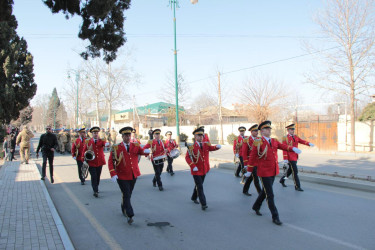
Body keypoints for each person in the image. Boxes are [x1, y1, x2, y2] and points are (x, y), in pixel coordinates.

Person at [249, 121, 301, 225]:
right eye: (267, 129)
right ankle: (275, 216)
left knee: (265, 191)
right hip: (264, 172)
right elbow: (253, 157)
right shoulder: (258, 142)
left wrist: (293, 149)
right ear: (262, 131)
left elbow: (283, 146)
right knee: (270, 195)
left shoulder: (274, 141)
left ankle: (256, 206)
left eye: (270, 129)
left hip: (273, 170)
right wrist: (249, 170)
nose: (269, 130)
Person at [108, 126, 150, 225]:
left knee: (128, 194)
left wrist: (146, 151)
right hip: (121, 176)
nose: (127, 137)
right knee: (126, 194)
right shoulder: (116, 147)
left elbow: (141, 152)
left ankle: (124, 206)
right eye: (125, 136)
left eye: (129, 135)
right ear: (122, 137)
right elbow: (111, 161)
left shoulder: (135, 145)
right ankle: (129, 214)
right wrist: (112, 173)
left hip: (133, 174)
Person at [185, 127, 221, 210]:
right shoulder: (191, 146)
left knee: (198, 185)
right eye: (198, 136)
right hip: (196, 170)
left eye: (202, 136)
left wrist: (217, 147)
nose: (200, 137)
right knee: (200, 187)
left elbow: (210, 148)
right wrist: (192, 166)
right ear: (195, 137)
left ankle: (194, 197)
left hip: (204, 169)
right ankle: (203, 203)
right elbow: (187, 157)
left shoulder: (205, 144)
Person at [279, 124, 314, 191]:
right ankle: (297, 186)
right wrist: (285, 158)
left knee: (290, 171)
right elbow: (284, 148)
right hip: (289, 157)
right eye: (291, 129)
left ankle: (282, 180)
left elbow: (301, 141)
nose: (293, 130)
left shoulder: (295, 136)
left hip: (295, 156)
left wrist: (309, 143)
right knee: (295, 171)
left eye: (293, 129)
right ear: (288, 130)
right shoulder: (285, 138)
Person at [82, 126, 108, 198]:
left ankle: (96, 187)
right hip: (91, 162)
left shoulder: (101, 140)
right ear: (92, 134)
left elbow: (105, 144)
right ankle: (95, 190)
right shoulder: (88, 141)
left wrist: (106, 144)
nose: (96, 134)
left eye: (97, 133)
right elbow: (84, 151)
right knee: (93, 176)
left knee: (98, 176)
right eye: (94, 133)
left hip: (99, 161)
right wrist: (83, 159)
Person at [242, 124, 262, 196]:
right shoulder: (247, 140)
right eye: (255, 131)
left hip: (258, 162)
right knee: (256, 179)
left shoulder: (259, 139)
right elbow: (244, 153)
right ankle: (260, 194)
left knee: (250, 178)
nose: (257, 132)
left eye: (257, 131)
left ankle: (245, 190)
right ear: (251, 132)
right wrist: (245, 164)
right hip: (251, 162)